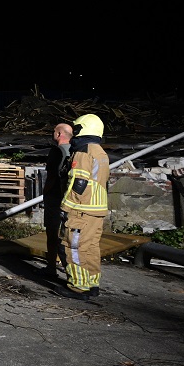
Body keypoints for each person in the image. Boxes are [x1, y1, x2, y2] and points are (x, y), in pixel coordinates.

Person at [55, 113, 110, 301]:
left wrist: (65, 207)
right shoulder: (100, 152)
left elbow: (78, 182)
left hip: (81, 209)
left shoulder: (83, 151)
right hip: (97, 209)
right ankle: (92, 283)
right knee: (91, 247)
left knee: (73, 247)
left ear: (81, 129)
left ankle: (78, 286)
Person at [40, 122, 73, 279]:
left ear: (59, 134)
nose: (52, 133)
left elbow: (52, 176)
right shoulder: (75, 151)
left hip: (54, 198)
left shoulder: (56, 152)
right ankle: (71, 273)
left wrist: (44, 193)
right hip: (69, 200)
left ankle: (51, 267)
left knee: (52, 234)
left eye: (54, 131)